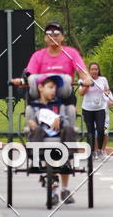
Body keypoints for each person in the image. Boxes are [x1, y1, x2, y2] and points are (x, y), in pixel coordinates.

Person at [12, 21, 90, 202]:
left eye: (56, 33)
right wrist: (22, 81)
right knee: (39, 126)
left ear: (62, 37)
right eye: (49, 33)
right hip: (41, 101)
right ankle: (51, 183)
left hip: (64, 99)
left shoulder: (71, 53)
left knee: (68, 124)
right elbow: (29, 75)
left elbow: (83, 72)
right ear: (45, 38)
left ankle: (65, 186)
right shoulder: (38, 56)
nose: (53, 36)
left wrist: (86, 80)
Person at [26, 75, 77, 205]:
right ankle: (53, 191)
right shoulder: (33, 107)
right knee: (37, 131)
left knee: (69, 129)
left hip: (58, 136)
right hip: (41, 138)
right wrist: (32, 124)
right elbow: (30, 123)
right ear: (40, 88)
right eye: (50, 87)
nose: (54, 90)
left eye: (55, 88)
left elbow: (65, 121)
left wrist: (59, 119)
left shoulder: (59, 105)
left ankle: (68, 159)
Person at [78, 62, 112, 158]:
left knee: (101, 129)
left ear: (98, 70)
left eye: (96, 69)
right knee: (91, 131)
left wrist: (106, 93)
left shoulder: (103, 80)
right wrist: (87, 85)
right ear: (89, 71)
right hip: (87, 109)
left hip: (100, 108)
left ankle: (101, 149)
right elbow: (81, 93)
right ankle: (93, 151)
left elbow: (107, 89)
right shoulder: (83, 80)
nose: (94, 71)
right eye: (92, 69)